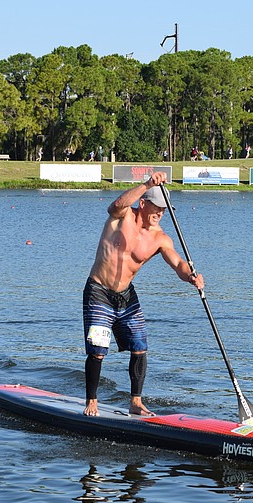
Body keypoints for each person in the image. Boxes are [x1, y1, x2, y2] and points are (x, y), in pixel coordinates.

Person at [83, 171, 204, 417]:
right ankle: (91, 401)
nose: (160, 214)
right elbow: (116, 204)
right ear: (143, 203)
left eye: (164, 209)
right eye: (156, 207)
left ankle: (135, 402)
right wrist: (147, 184)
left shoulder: (160, 238)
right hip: (98, 292)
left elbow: (178, 263)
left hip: (126, 296)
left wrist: (190, 276)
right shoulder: (122, 216)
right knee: (97, 349)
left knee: (140, 346)